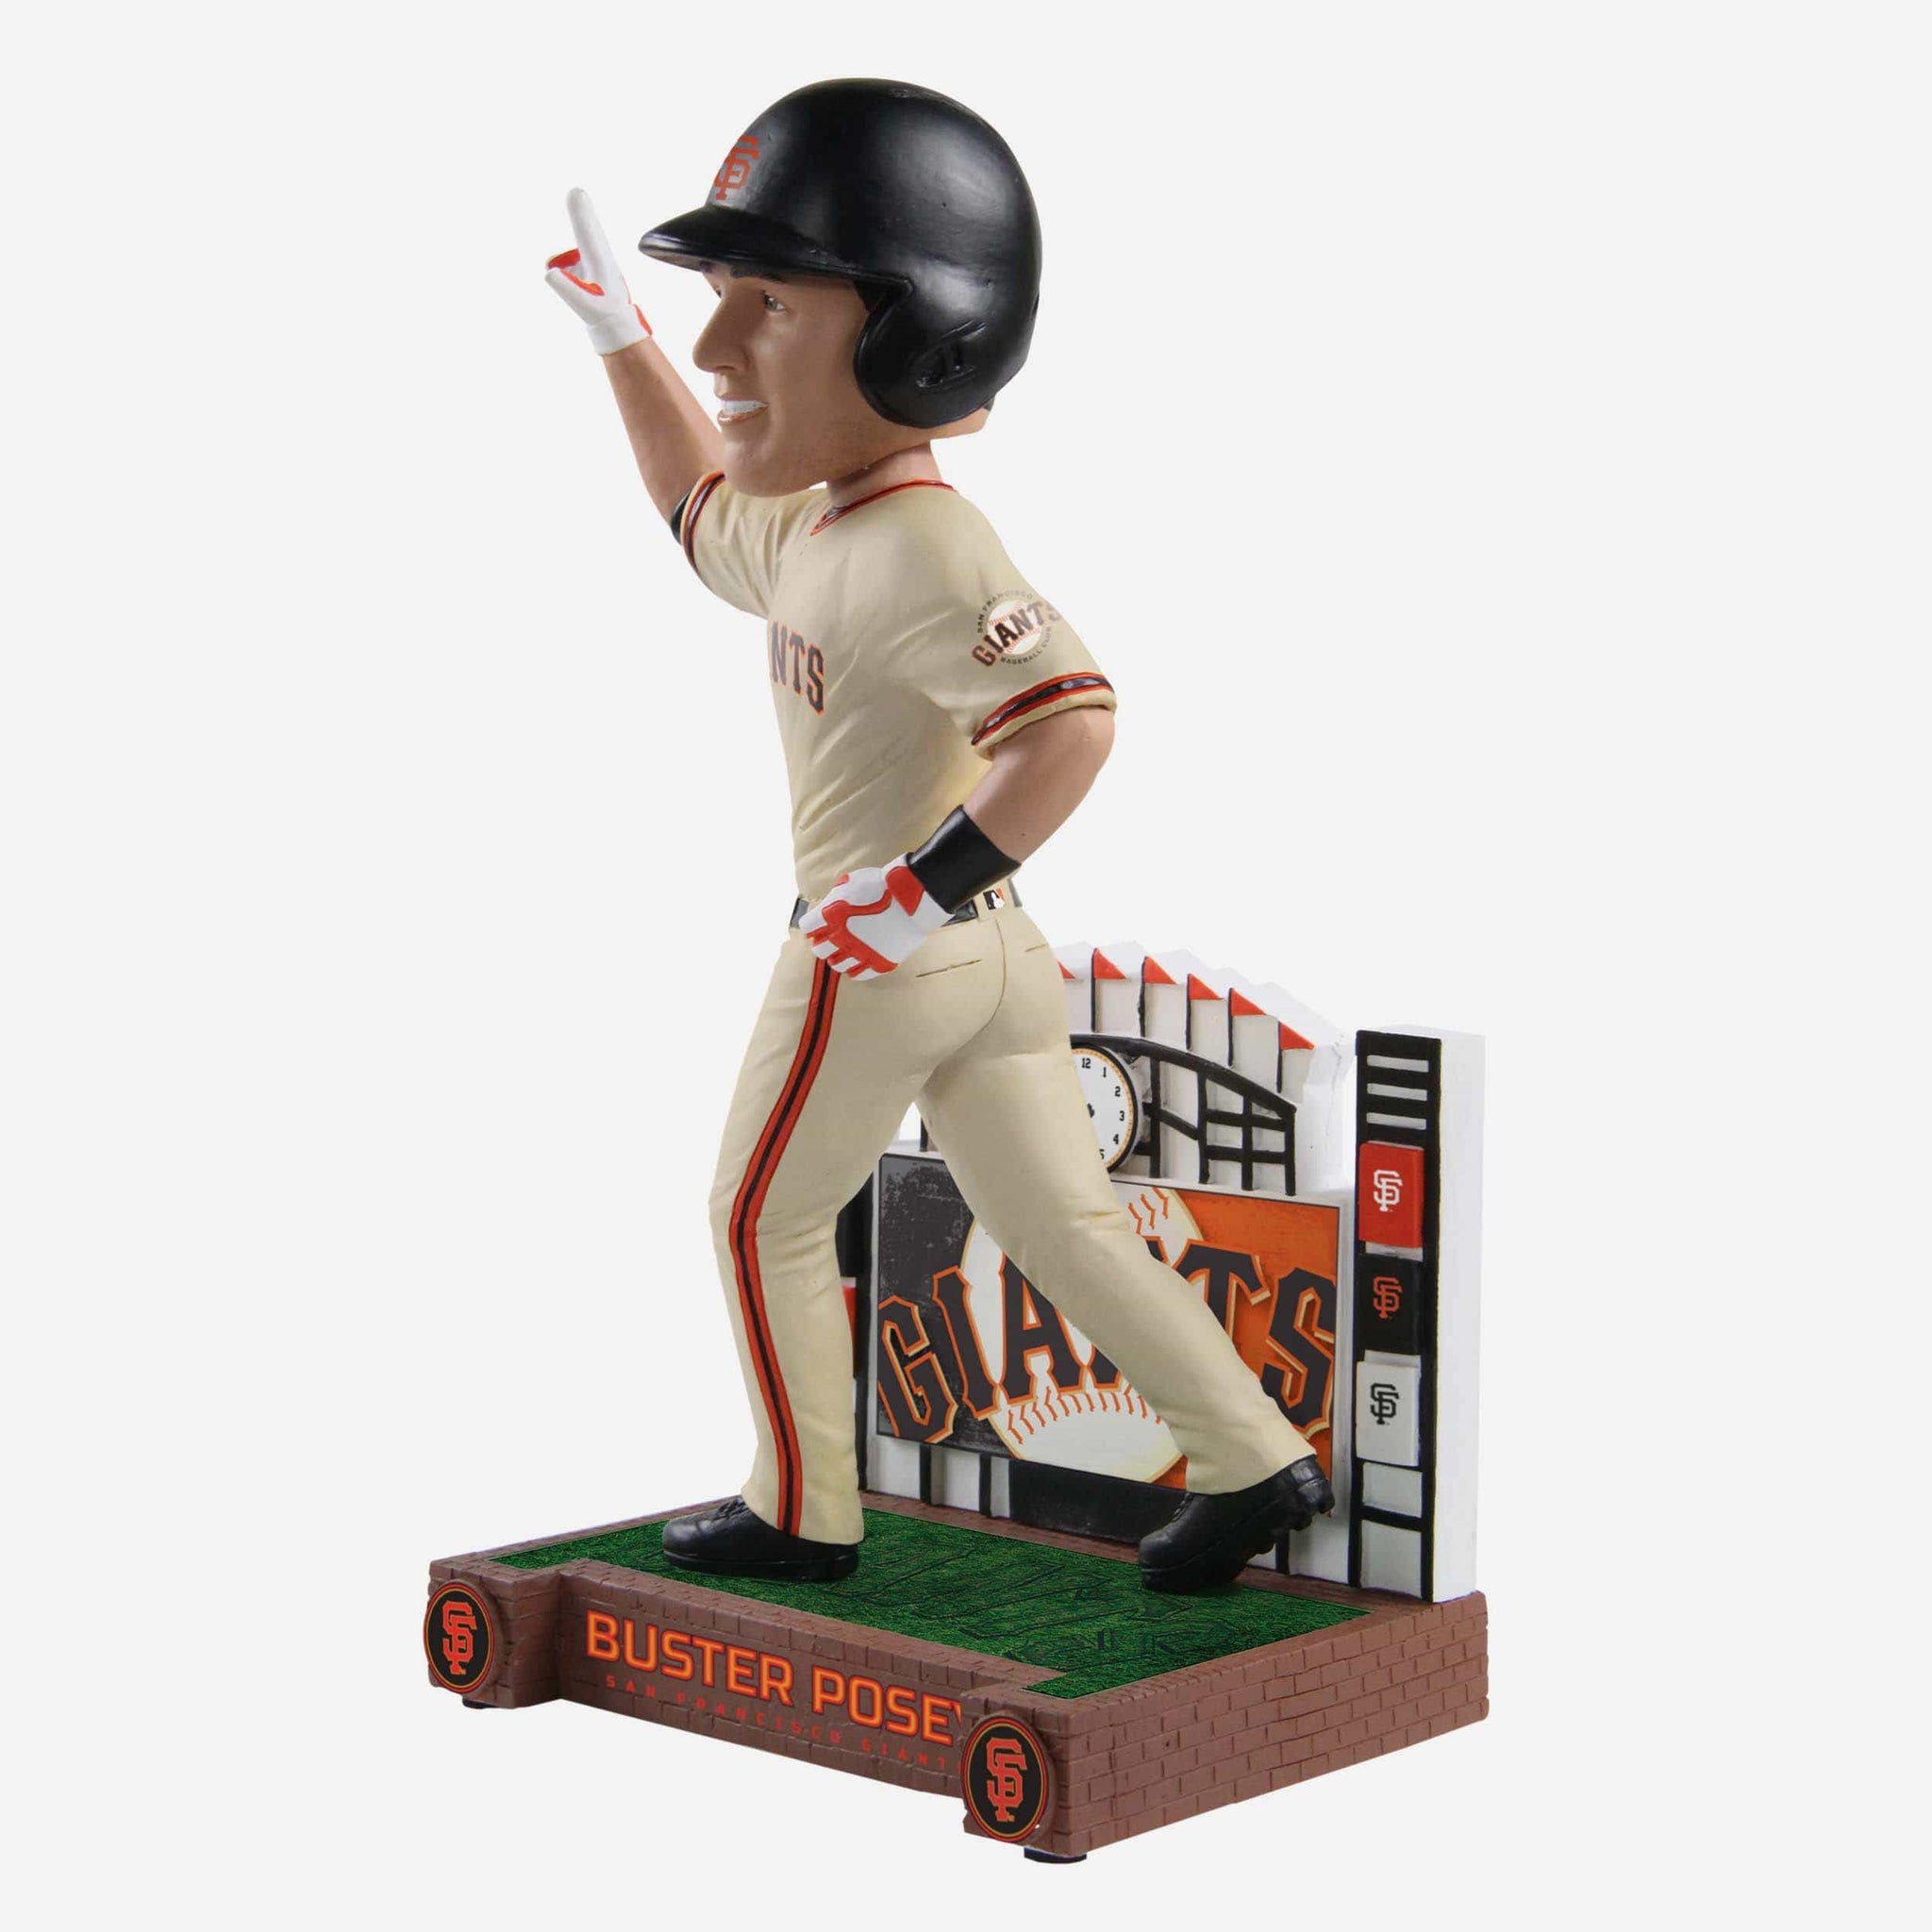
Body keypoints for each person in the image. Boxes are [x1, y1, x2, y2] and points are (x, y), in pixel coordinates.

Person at [545, 79, 1332, 1593]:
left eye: (769, 306)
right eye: (720, 302)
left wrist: (914, 894)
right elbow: (699, 509)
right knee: (1065, 1225)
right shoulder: (826, 523)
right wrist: (619, 338)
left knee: (759, 1216)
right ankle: (1252, 1459)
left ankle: (803, 1510)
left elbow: (1072, 724)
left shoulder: (928, 542)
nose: (719, 348)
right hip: (984, 956)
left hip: (885, 943)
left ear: (917, 335)